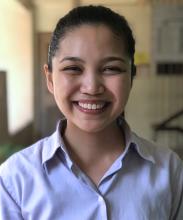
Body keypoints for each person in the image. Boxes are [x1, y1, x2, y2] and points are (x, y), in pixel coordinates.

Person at [0, 5, 183, 220]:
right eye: (73, 69)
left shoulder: (169, 170)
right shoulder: (15, 179)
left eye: (111, 69)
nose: (92, 87)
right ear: (50, 78)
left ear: (131, 77)